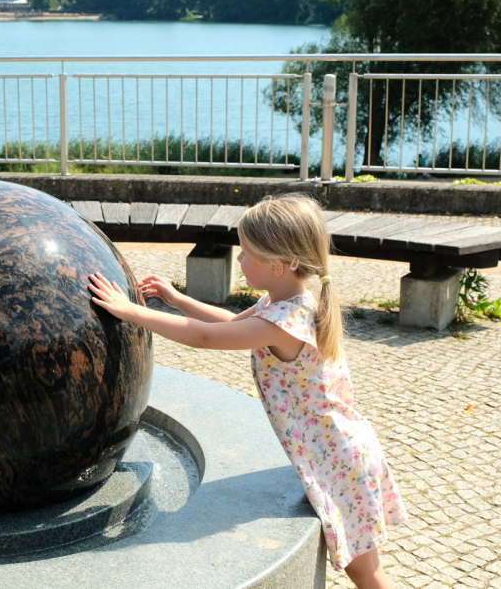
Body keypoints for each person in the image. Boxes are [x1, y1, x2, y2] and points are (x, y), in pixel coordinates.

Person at [87, 193, 406, 589]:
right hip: (337, 447)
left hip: (336, 458)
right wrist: (177, 299)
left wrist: (131, 311)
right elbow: (230, 324)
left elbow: (206, 338)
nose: (238, 259)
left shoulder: (284, 321)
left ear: (277, 265)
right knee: (365, 570)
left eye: (246, 253)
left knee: (365, 573)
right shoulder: (288, 302)